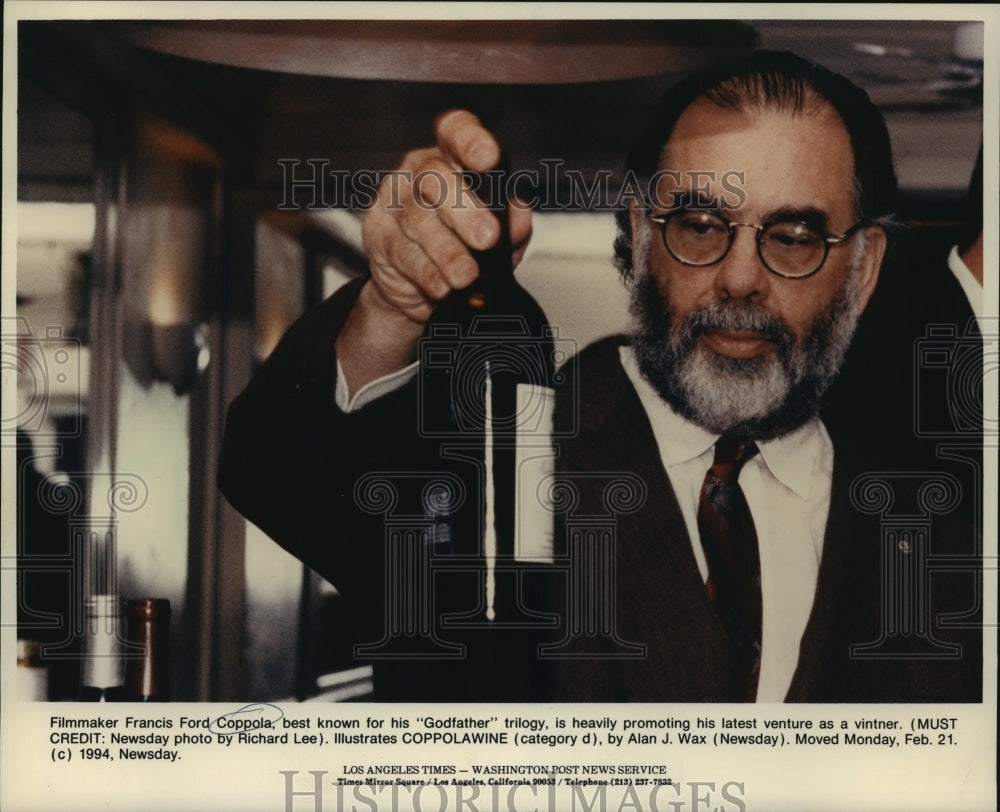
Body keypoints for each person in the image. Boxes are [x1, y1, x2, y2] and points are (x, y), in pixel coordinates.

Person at [219, 50, 981, 702]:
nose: (741, 278)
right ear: (643, 236)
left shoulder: (943, 536)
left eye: (792, 236)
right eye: (699, 226)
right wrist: (391, 310)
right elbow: (278, 473)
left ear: (863, 268)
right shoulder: (497, 452)